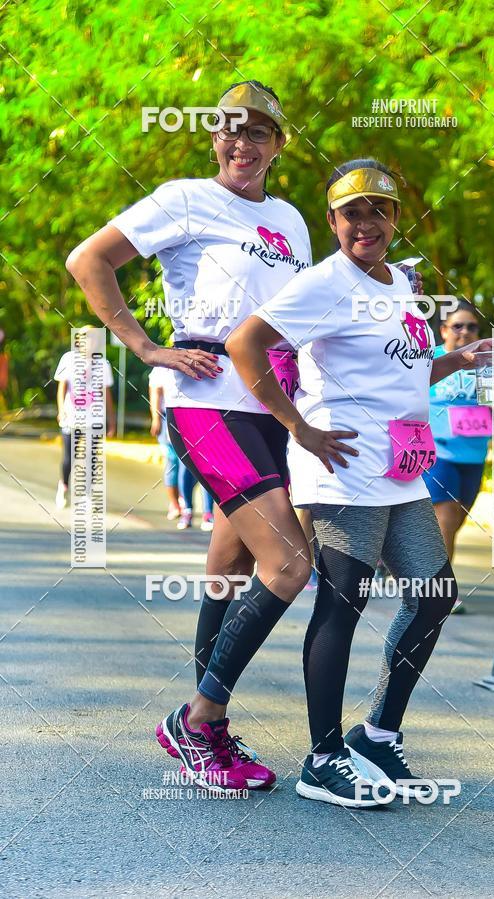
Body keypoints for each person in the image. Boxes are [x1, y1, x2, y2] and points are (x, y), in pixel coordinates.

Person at [66, 80, 315, 794]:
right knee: (289, 563)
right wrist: (146, 347)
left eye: (259, 131)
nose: (243, 142)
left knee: (229, 566)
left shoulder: (292, 221)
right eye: (231, 128)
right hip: (209, 404)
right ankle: (195, 719)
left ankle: (211, 725)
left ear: (279, 144)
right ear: (213, 138)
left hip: (272, 409)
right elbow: (88, 261)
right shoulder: (184, 199)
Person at [227, 158, 494, 807]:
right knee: (343, 601)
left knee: (433, 593)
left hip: (400, 469)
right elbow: (244, 344)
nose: (366, 223)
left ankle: (377, 735)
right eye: (352, 212)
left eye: (379, 210)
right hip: (342, 468)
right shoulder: (325, 283)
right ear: (332, 221)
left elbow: (406, 372)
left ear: (396, 218)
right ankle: (322, 758)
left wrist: (456, 359)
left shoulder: (400, 283)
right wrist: (296, 425)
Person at [422, 300, 490, 613]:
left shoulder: (487, 363)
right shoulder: (431, 358)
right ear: (443, 330)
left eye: (471, 326)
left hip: (474, 455)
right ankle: (440, 593)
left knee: (453, 523)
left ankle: (402, 560)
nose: (464, 332)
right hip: (438, 453)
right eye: (457, 326)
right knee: (446, 520)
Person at [54, 325, 116, 509]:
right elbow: (62, 388)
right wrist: (61, 410)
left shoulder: (102, 364)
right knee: (69, 457)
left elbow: (106, 394)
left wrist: (111, 421)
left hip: (94, 418)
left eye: (92, 338)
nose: (88, 341)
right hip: (72, 416)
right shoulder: (68, 359)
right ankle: (63, 486)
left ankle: (87, 495)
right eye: (85, 337)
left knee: (91, 457)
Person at [149, 365, 198, 528]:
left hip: (187, 416)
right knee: (172, 461)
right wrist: (156, 419)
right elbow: (155, 393)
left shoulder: (187, 363)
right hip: (166, 418)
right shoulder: (160, 368)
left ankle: (184, 497)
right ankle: (175, 504)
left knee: (189, 464)